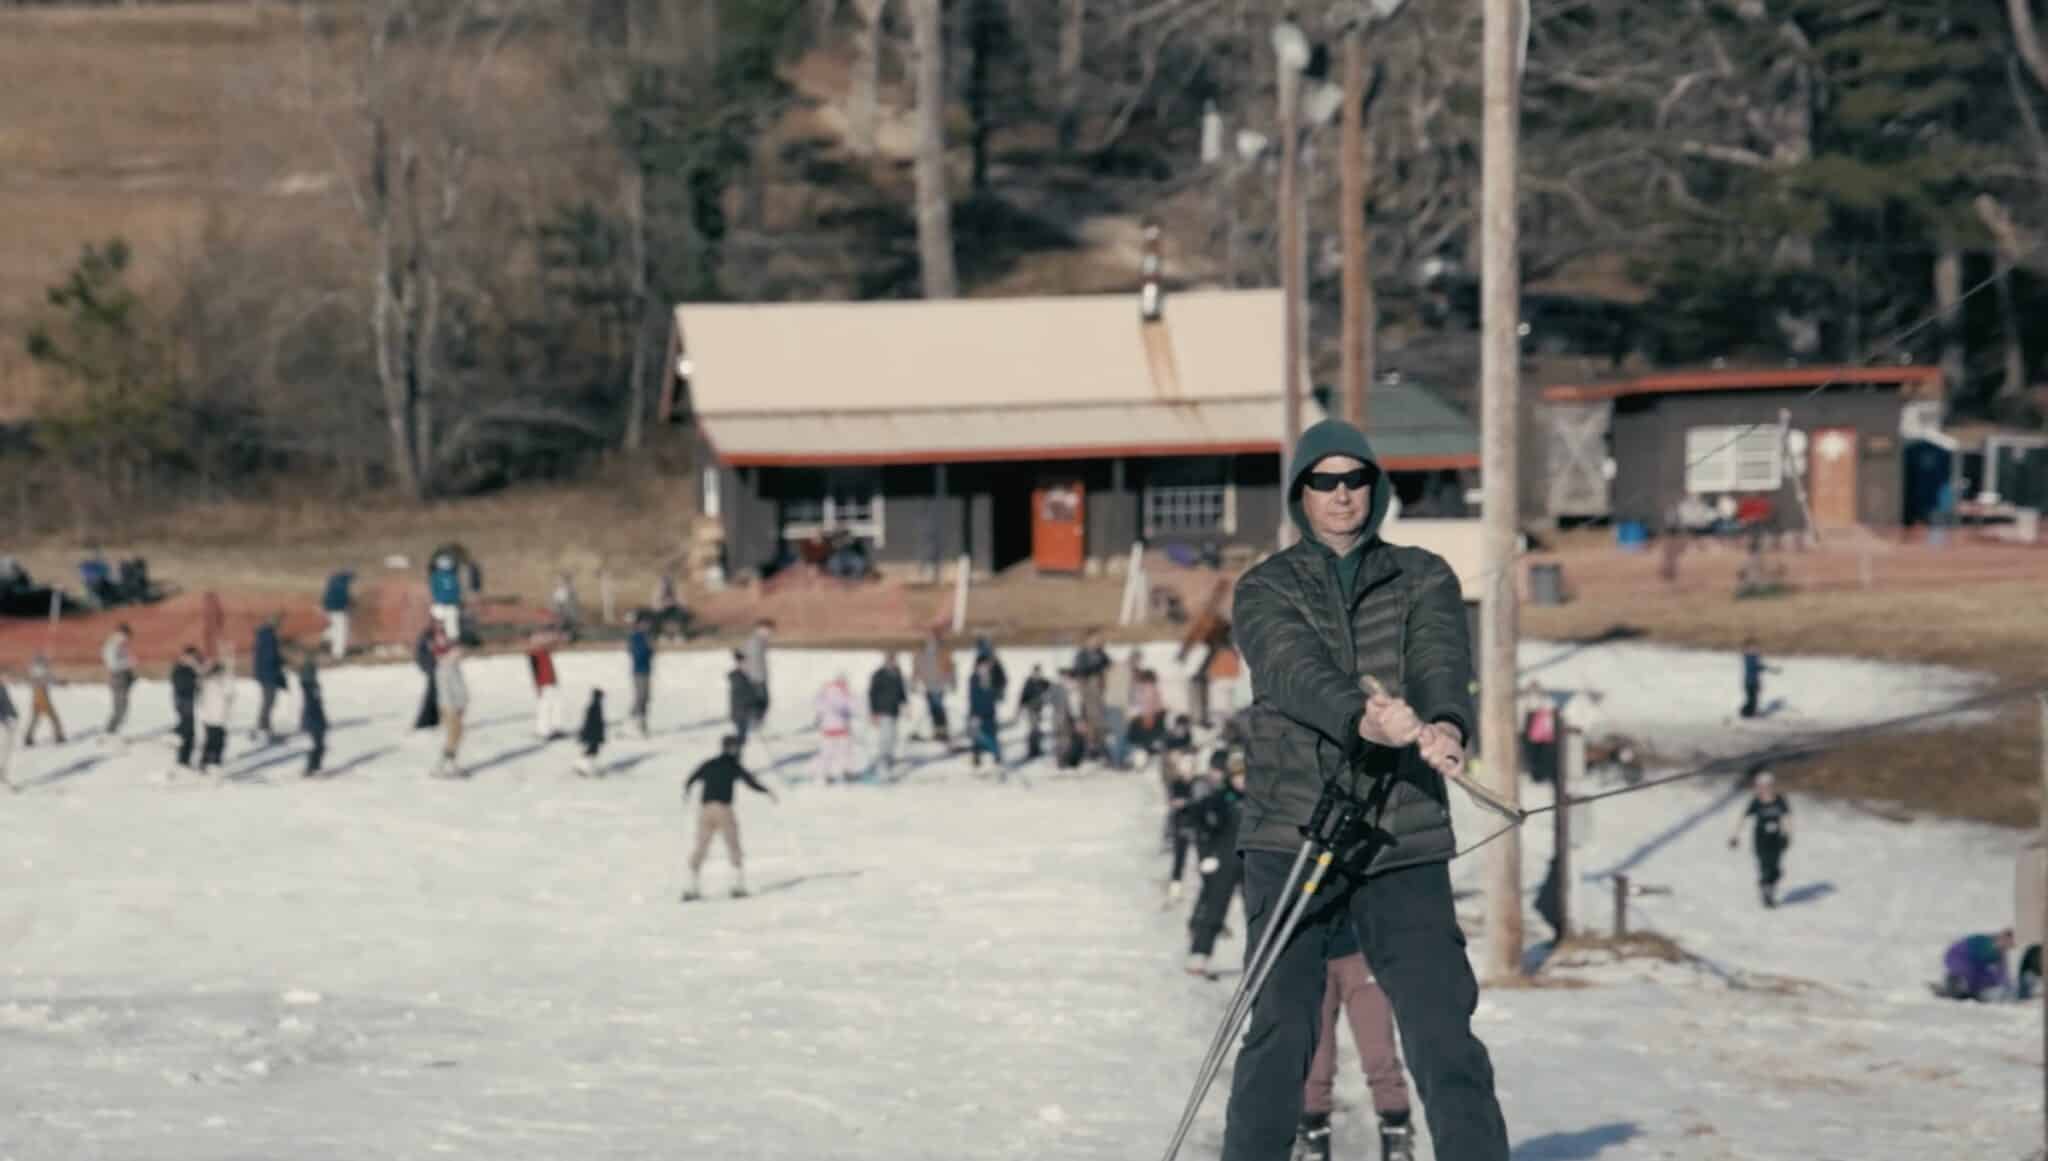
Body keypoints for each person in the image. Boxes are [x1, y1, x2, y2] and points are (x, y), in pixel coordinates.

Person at [1222, 418, 1506, 1161]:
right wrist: (1361, 717)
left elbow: (1441, 655)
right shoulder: (1264, 587)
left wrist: (1444, 722)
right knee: (1282, 1030)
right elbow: (1290, 669)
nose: (1341, 494)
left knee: (1444, 1031)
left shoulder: (1423, 574)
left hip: (1401, 829)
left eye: (1355, 479)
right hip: (1293, 832)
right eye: (1325, 480)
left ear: (1374, 489)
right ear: (1301, 493)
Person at [1298, 928, 1415, 1161]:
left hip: (1361, 950)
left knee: (1379, 1054)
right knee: (1315, 1063)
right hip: (1309, 954)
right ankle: (1313, 1138)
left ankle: (1396, 1134)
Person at [683, 734, 779, 900]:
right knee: (733, 845)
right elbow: (750, 782)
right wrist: (766, 791)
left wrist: (687, 790)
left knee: (701, 847)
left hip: (705, 809)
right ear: (731, 748)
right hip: (723, 809)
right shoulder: (733, 765)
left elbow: (691, 778)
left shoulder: (709, 763)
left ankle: (691, 887)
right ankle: (738, 886)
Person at [1186, 759, 1247, 974]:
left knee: (1257, 910)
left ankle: (1260, 957)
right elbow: (1201, 824)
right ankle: (1200, 953)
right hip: (1224, 858)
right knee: (1215, 906)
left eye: (1245, 776)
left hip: (1251, 861)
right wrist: (1206, 854)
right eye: (1238, 776)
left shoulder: (1257, 800)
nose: (1242, 781)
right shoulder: (1220, 798)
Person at [1728, 768, 1792, 907]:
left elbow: (1786, 817)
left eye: (1766, 786)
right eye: (1760, 786)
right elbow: (1743, 818)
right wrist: (1735, 836)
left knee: (1776, 869)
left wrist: (1787, 835)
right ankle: (1766, 893)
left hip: (1776, 839)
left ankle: (1769, 889)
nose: (1763, 789)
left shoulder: (1780, 800)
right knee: (1765, 866)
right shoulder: (1756, 802)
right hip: (1761, 839)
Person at [1940, 930, 2016, 1001]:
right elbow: (1962, 953)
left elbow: (2002, 973)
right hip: (1957, 957)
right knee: (1967, 971)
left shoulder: (1999, 954)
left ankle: (1972, 992)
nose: (2007, 945)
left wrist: (2007, 986)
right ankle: (1953, 988)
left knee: (1990, 977)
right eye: (2006, 941)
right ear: (2001, 937)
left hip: (1973, 965)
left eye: (2010, 944)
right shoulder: (1984, 941)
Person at [867, 651, 908, 781]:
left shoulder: (897, 674)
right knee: (885, 737)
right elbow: (872, 694)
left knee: (893, 736)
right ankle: (882, 763)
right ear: (886, 661)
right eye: (890, 660)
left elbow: (901, 691)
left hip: (894, 711)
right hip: (882, 711)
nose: (892, 662)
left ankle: (889, 758)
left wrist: (905, 704)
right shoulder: (878, 675)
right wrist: (873, 712)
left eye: (894, 660)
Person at [1070, 630, 1111, 758]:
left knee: (1101, 720)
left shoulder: (1102, 653)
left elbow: (1109, 665)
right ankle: (1090, 748)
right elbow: (1079, 672)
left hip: (1101, 692)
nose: (1097, 642)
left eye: (1098, 639)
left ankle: (1101, 746)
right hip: (1087, 692)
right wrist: (1094, 670)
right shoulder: (1082, 655)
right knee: (1090, 721)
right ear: (1088, 640)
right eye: (1094, 639)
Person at [433, 631, 468, 779]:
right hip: (450, 708)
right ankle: (441, 766)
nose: (461, 654)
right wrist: (453, 708)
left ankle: (451, 763)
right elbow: (445, 691)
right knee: (452, 737)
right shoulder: (444, 668)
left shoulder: (454, 666)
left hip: (457, 706)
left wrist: (463, 702)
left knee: (457, 736)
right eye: (458, 651)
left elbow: (459, 686)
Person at [813, 673, 857, 784]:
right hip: (836, 728)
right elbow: (851, 707)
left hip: (835, 728)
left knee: (838, 752)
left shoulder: (833, 692)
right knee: (837, 752)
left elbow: (818, 706)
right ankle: (830, 774)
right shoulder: (835, 692)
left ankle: (840, 773)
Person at [197, 649, 236, 774]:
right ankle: (209, 763)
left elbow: (230, 693)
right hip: (213, 718)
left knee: (216, 741)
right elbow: (228, 693)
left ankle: (211, 763)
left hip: (215, 717)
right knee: (214, 742)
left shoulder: (212, 683)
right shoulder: (212, 684)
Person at [251, 616, 288, 744]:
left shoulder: (264, 635)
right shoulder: (269, 637)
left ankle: (264, 727)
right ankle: (263, 729)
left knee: (268, 702)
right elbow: (269, 657)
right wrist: (280, 662)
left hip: (265, 675)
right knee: (268, 702)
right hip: (268, 675)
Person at [915, 627, 954, 746]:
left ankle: (943, 732)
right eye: (929, 638)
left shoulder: (942, 652)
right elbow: (917, 668)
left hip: (938, 686)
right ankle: (938, 731)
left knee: (939, 710)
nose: (930, 641)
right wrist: (915, 681)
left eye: (932, 638)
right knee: (933, 710)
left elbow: (949, 668)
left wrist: (951, 681)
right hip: (928, 686)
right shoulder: (922, 654)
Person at [967, 655, 1003, 773]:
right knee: (977, 736)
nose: (985, 667)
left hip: (990, 712)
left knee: (991, 735)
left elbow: (1000, 685)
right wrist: (973, 714)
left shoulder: (992, 677)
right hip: (977, 712)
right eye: (983, 665)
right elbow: (973, 697)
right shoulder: (974, 678)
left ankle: (997, 757)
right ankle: (976, 758)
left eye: (987, 665)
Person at [1103, 649, 1138, 770]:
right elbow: (1125, 692)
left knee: (1120, 735)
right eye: (1137, 661)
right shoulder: (1125, 671)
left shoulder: (1116, 669)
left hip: (1113, 705)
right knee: (1120, 735)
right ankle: (1117, 762)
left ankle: (1118, 760)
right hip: (1116, 705)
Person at [527, 628, 565, 740]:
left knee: (556, 705)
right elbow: (535, 672)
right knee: (545, 707)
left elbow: (554, 642)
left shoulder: (545, 651)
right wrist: (538, 686)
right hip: (544, 684)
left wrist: (558, 636)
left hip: (552, 682)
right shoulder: (533, 655)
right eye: (536, 641)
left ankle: (556, 728)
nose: (540, 642)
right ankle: (543, 730)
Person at [102, 623, 136, 744]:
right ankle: (110, 732)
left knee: (123, 706)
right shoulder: (113, 645)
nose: (129, 639)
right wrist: (129, 662)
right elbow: (113, 664)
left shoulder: (120, 644)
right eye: (128, 636)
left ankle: (112, 731)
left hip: (123, 676)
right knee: (120, 707)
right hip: (118, 677)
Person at [169, 646, 201, 771]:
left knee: (188, 730)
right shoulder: (180, 669)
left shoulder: (190, 669)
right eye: (192, 658)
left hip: (188, 702)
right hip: (183, 702)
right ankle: (182, 760)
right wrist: (195, 677)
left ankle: (184, 759)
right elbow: (183, 686)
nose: (194, 660)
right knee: (188, 731)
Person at [741, 619, 774, 732]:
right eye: (768, 630)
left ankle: (755, 724)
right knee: (761, 702)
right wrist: (748, 675)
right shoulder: (754, 642)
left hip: (760, 677)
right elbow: (745, 658)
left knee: (763, 702)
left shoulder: (760, 641)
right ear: (760, 629)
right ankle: (754, 725)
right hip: (755, 678)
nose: (770, 633)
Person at [299, 649, 328, 777]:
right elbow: (311, 706)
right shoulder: (309, 687)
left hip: (317, 719)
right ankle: (311, 768)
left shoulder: (313, 686)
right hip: (313, 720)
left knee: (320, 746)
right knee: (318, 746)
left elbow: (318, 704)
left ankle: (315, 767)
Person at [24, 653, 63, 746]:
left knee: (35, 717)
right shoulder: (40, 670)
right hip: (42, 695)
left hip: (36, 695)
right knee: (53, 716)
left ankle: (28, 738)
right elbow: (49, 678)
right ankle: (59, 736)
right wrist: (60, 682)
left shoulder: (33, 670)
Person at [428, 549, 465, 642]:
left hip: (451, 605)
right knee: (439, 619)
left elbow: (457, 590)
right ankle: (439, 640)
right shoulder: (436, 576)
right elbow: (434, 590)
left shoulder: (453, 576)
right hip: (440, 604)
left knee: (452, 626)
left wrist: (457, 601)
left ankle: (452, 641)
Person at [1017, 664, 1051, 762]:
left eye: (1039, 672)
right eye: (1036, 672)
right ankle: (1032, 751)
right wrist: (1020, 708)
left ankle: (1037, 749)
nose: (1038, 674)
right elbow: (1023, 695)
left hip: (1039, 709)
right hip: (1030, 708)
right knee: (1033, 729)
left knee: (1037, 729)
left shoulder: (1043, 682)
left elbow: (1050, 687)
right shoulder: (1029, 682)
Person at [627, 615, 654, 739]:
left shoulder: (646, 636)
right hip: (639, 671)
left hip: (646, 670)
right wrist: (648, 649)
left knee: (646, 697)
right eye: (644, 623)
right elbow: (636, 653)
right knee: (641, 697)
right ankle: (636, 721)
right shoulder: (636, 637)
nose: (647, 626)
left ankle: (639, 721)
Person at [1740, 638, 1779, 719]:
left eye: (1755, 648)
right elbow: (1756, 666)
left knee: (1754, 699)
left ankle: (1749, 712)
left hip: (1755, 682)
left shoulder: (1754, 657)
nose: (1754, 649)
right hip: (1749, 682)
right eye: (1751, 648)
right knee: (1751, 700)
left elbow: (1759, 666)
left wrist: (1771, 669)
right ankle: (1746, 712)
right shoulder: (1748, 657)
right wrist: (1770, 669)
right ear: (1746, 649)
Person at [727, 651, 760, 746]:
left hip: (744, 712)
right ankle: (733, 753)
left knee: (742, 737)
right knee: (741, 738)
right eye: (744, 663)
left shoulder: (745, 676)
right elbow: (742, 695)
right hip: (740, 712)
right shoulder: (737, 677)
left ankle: (735, 753)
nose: (746, 665)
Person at [412, 625, 441, 731]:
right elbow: (422, 654)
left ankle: (434, 720)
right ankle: (424, 722)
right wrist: (428, 667)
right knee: (432, 695)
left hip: (437, 668)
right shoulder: (428, 636)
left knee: (438, 695)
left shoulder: (436, 634)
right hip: (432, 668)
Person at [322, 569, 354, 660]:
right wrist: (350, 603)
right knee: (341, 631)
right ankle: (338, 653)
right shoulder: (342, 585)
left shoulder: (332, 582)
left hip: (328, 610)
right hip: (338, 611)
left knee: (332, 629)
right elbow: (344, 598)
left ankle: (326, 644)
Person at [575, 688, 607, 778]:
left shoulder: (595, 706)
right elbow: (592, 723)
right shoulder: (594, 707)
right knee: (591, 752)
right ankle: (584, 767)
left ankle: (586, 767)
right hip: (593, 735)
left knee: (592, 752)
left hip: (593, 734)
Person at [0, 672, 18, 791]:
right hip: (3, 722)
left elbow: (7, 703)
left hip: (6, 722)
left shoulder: (2, 688)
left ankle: (3, 776)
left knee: (7, 750)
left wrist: (14, 714)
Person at [549, 572, 580, 642]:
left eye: (558, 580)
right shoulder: (558, 591)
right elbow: (554, 605)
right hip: (559, 618)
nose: (556, 582)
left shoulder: (569, 591)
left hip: (567, 618)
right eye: (556, 580)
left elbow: (567, 607)